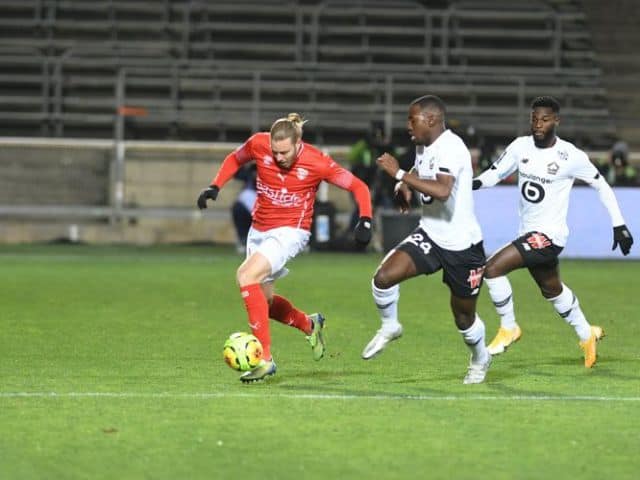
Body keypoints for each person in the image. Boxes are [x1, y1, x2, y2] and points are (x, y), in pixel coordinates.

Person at [197, 113, 373, 382]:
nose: (278, 157)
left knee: (246, 276)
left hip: (291, 230)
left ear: (298, 142)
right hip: (259, 230)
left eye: (284, 152)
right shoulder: (258, 144)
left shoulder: (317, 162)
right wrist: (215, 185)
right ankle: (309, 324)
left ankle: (264, 360)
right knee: (263, 302)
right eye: (275, 152)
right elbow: (235, 158)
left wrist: (365, 220)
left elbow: (358, 186)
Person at [473, 96, 634, 367]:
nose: (538, 124)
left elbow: (602, 185)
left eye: (545, 119)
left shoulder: (570, 156)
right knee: (552, 289)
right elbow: (494, 174)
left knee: (491, 269)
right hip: (528, 233)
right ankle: (587, 334)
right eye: (534, 118)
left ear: (556, 121)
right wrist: (471, 184)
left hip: (550, 235)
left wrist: (619, 224)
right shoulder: (520, 146)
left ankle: (509, 327)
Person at [361, 95, 492, 385]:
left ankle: (480, 358)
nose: (408, 125)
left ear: (431, 119)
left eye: (412, 119)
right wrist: (403, 186)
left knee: (463, 318)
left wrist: (399, 173)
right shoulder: (423, 144)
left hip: (463, 247)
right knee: (383, 278)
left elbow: (443, 191)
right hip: (431, 234)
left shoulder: (453, 148)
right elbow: (422, 171)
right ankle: (390, 325)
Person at [231, 164, 257, 253]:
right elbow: (236, 173)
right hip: (252, 200)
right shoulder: (249, 174)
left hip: (269, 200)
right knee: (239, 207)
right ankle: (243, 239)